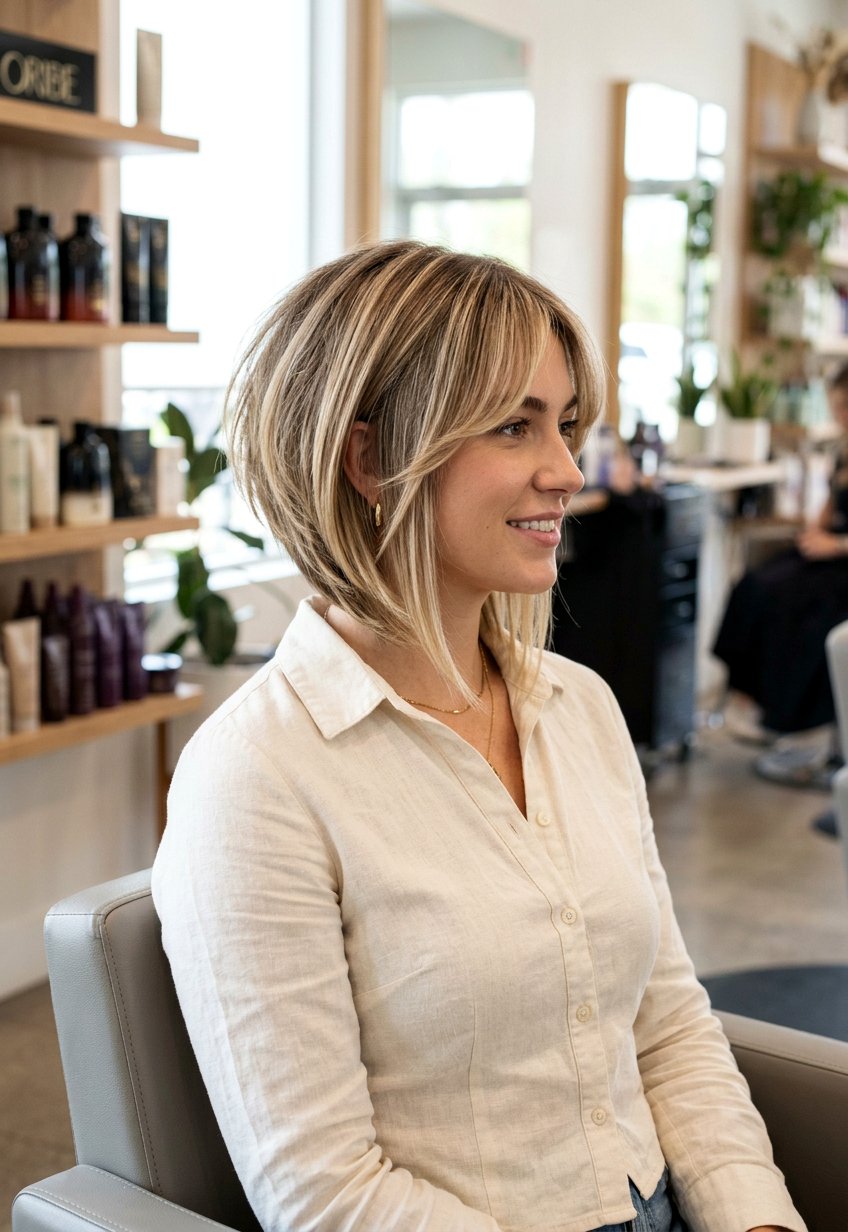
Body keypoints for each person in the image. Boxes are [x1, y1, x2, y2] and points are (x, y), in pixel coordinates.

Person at [152, 241, 804, 1232]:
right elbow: (325, 1196)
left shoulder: (577, 708)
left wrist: (756, 1220)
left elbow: (665, 1025)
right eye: (516, 425)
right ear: (369, 458)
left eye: (567, 423)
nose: (567, 470)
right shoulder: (254, 778)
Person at [712, 366, 848, 783]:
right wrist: (816, 530)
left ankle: (788, 714)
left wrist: (834, 545)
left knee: (793, 604)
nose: (839, 413)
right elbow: (830, 502)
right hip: (830, 550)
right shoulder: (843, 447)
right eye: (836, 406)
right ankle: (750, 699)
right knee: (754, 585)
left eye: (844, 406)